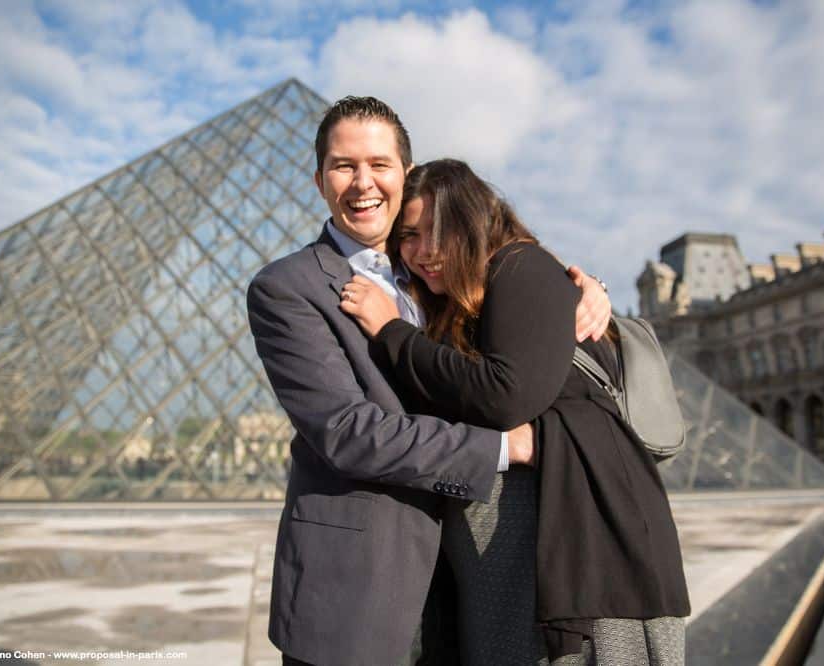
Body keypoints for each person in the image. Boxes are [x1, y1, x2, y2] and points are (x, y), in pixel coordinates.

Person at [247, 97, 613, 666]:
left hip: (475, 573)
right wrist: (504, 446)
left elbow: (519, 307)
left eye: (379, 165)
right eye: (344, 166)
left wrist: (585, 289)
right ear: (319, 180)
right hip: (358, 585)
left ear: (406, 174)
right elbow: (348, 430)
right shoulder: (285, 287)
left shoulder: (438, 271)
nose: (362, 183)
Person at [341, 158, 691, 665]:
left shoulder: (519, 266)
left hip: (581, 531)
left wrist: (392, 330)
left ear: (471, 220)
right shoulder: (457, 299)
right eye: (409, 237)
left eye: (436, 231)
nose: (421, 252)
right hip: (511, 537)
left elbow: (505, 395)